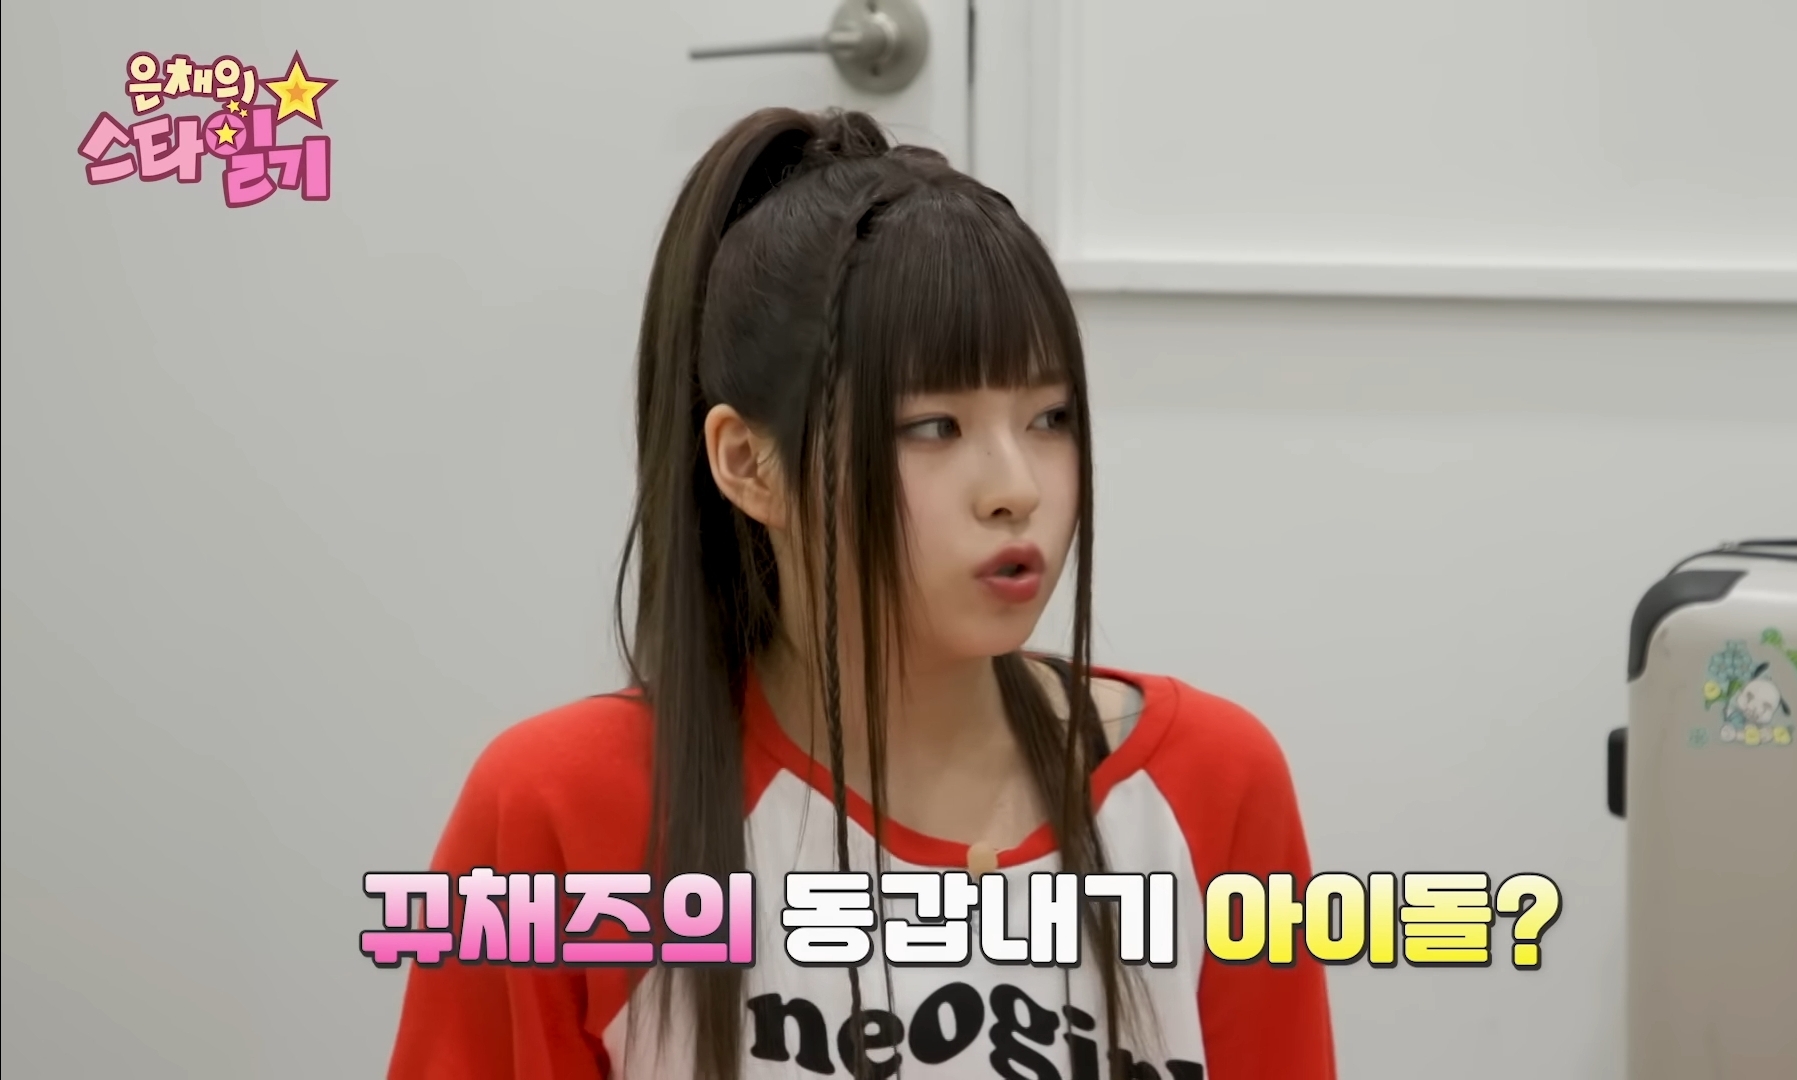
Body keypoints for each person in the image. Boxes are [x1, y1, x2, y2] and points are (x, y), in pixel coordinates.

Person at [387, 107, 1334, 1080]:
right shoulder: (565, 807)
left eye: (1050, 417)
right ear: (748, 464)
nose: (1016, 488)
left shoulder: (1208, 783)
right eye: (933, 428)